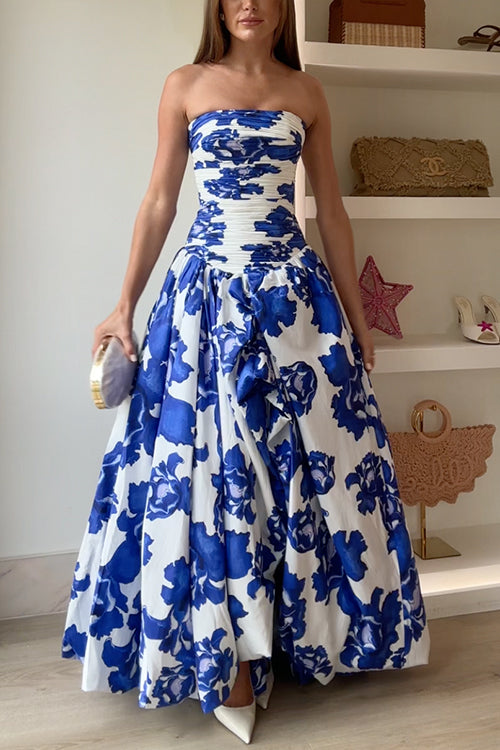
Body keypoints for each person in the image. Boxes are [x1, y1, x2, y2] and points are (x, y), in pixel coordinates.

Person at [61, 0, 430, 744]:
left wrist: (359, 318)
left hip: (294, 298)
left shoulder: (307, 92)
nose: (249, 4)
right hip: (203, 298)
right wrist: (123, 305)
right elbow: (160, 200)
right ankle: (225, 657)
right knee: (210, 471)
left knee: (309, 465)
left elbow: (331, 213)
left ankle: (295, 638)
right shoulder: (185, 84)